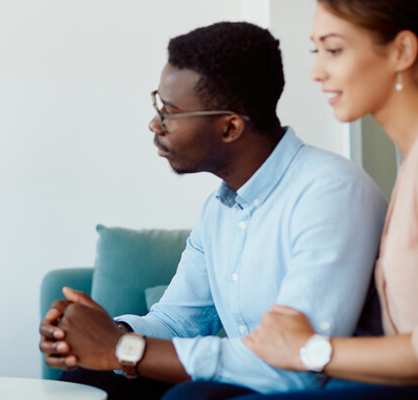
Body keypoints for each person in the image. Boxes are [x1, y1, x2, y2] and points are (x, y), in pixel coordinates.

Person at [38, 21, 388, 400]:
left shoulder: (331, 192)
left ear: (230, 127)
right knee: (91, 379)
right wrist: (106, 334)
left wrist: (122, 349)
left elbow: (298, 363)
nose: (155, 123)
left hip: (325, 388)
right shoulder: (220, 208)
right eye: (158, 104)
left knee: (190, 397)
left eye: (170, 112)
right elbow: (178, 321)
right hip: (254, 382)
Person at [173, 1, 418, 399]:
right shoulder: (409, 170)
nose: (316, 71)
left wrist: (308, 349)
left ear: (402, 52)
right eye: (315, 51)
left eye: (334, 49)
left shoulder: (340, 187)